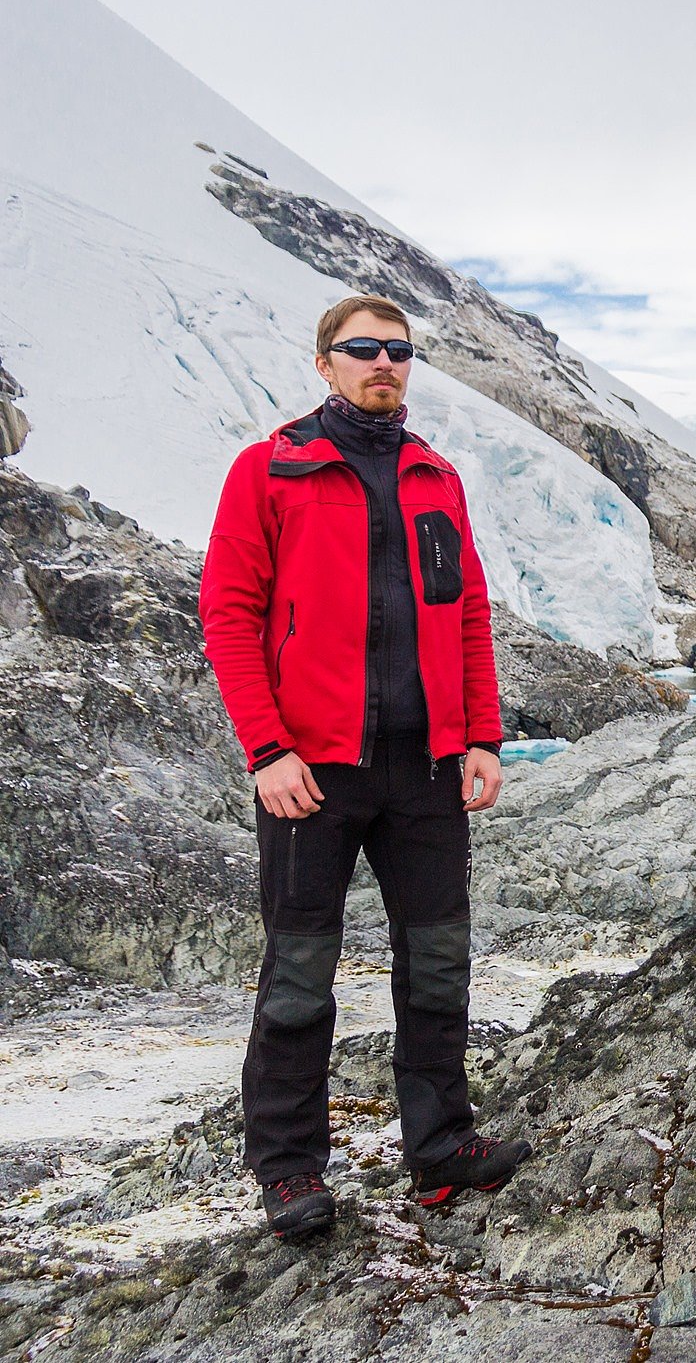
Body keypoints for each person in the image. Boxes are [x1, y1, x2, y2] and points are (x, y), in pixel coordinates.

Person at [199, 295, 530, 1239]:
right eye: (363, 349)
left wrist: (482, 735)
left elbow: (466, 611)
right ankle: (290, 1169)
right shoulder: (272, 468)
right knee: (300, 969)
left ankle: (440, 1147)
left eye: (398, 350)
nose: (384, 363)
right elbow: (227, 611)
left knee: (439, 960)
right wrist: (268, 749)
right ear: (325, 363)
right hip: (314, 769)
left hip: (425, 766)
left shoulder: (435, 476)